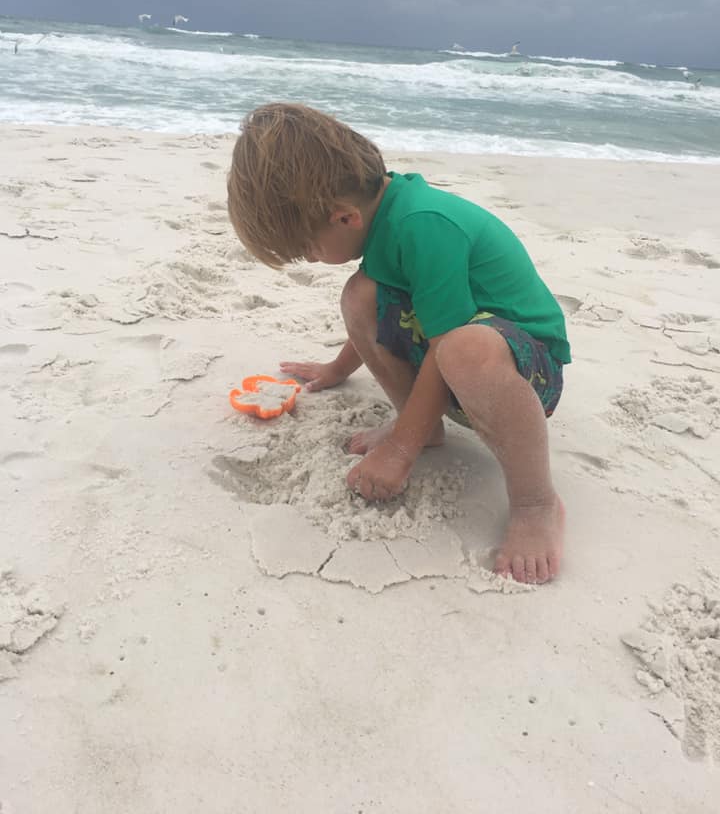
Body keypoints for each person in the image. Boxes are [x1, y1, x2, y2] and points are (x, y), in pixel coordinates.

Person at [227, 103, 571, 584]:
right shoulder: (385, 220)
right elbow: (404, 312)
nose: (309, 258)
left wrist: (399, 450)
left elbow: (447, 341)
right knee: (360, 294)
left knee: (461, 348)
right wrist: (337, 369)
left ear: (344, 218)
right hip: (464, 353)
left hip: (528, 372)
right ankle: (426, 426)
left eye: (307, 248)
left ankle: (537, 504)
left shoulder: (421, 224)